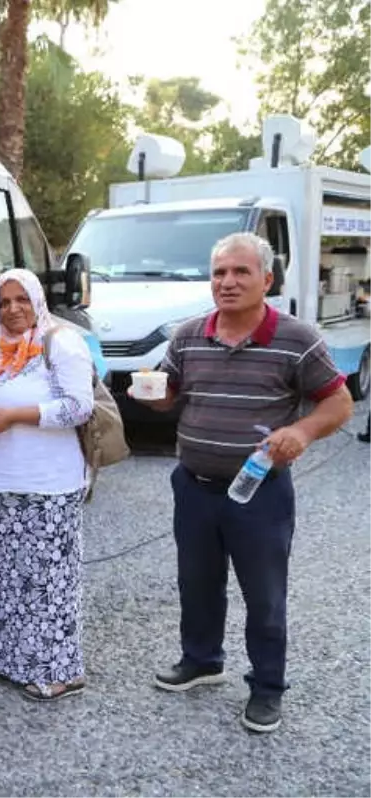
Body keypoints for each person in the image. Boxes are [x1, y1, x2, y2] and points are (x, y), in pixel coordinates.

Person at [131, 232, 353, 734]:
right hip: (194, 484)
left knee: (265, 594)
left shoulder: (297, 339)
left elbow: (338, 403)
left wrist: (299, 431)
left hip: (260, 492)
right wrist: (153, 395)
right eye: (219, 273)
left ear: (266, 280)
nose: (227, 282)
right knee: (197, 581)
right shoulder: (188, 335)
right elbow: (171, 396)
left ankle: (268, 687)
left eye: (240, 272)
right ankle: (202, 661)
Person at [0, 268, 95, 700]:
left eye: (22, 300)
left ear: (36, 301)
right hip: (1, 478)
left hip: (47, 484)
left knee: (46, 580)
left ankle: (60, 671)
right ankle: (3, 657)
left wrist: (16, 416)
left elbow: (78, 408)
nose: (13, 309)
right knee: (4, 574)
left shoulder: (61, 343)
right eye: (4, 302)